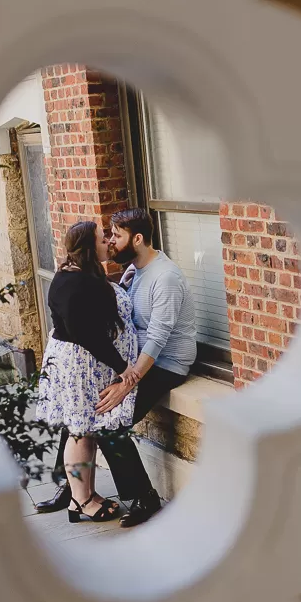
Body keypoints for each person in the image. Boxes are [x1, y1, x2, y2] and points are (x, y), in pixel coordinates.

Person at [36, 208, 197, 528]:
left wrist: (128, 380)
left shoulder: (165, 277)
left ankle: (144, 496)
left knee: (106, 420)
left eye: (116, 236)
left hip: (164, 363)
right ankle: (71, 488)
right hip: (135, 363)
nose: (110, 241)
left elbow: (158, 336)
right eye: (106, 235)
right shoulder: (136, 270)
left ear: (137, 239)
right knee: (79, 411)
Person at [34, 221, 141, 523]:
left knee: (85, 430)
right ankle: (80, 500)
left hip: (81, 363)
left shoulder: (77, 275)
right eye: (100, 238)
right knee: (80, 432)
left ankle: (87, 494)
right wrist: (124, 369)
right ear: (87, 247)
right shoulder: (75, 283)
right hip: (77, 366)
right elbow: (88, 334)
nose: (107, 241)